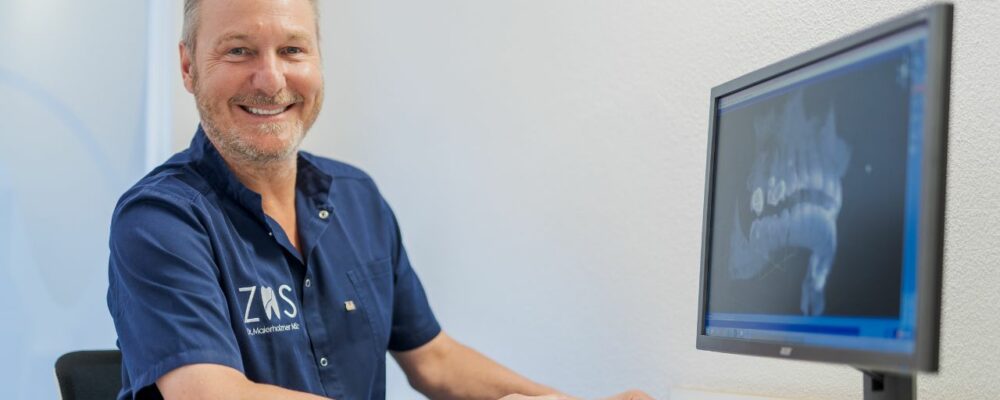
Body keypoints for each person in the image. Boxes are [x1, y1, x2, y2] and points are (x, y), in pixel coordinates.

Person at [106, 0, 655, 399]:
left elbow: (434, 360)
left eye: (292, 49)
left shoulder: (357, 199)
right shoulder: (160, 218)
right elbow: (211, 393)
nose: (270, 80)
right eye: (239, 50)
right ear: (188, 67)